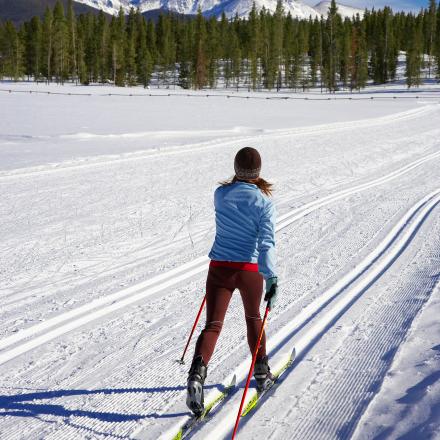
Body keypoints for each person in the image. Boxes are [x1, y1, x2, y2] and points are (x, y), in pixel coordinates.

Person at [186, 146, 278, 416]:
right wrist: (271, 276)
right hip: (248, 271)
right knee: (253, 318)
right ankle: (262, 373)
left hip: (219, 270)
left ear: (236, 168)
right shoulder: (264, 203)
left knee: (213, 325)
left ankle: (196, 376)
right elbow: (267, 243)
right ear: (258, 171)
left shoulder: (220, 195)